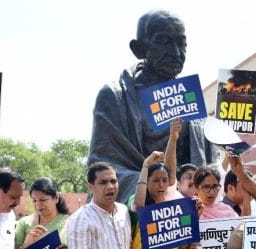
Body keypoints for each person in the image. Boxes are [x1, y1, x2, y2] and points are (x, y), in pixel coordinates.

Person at [88, 9, 215, 203]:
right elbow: (102, 166)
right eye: (164, 42)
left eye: (181, 43)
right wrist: (153, 186)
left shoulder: (189, 97)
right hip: (140, 205)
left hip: (191, 206)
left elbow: (208, 164)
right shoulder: (114, 97)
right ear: (138, 49)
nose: (176, 53)